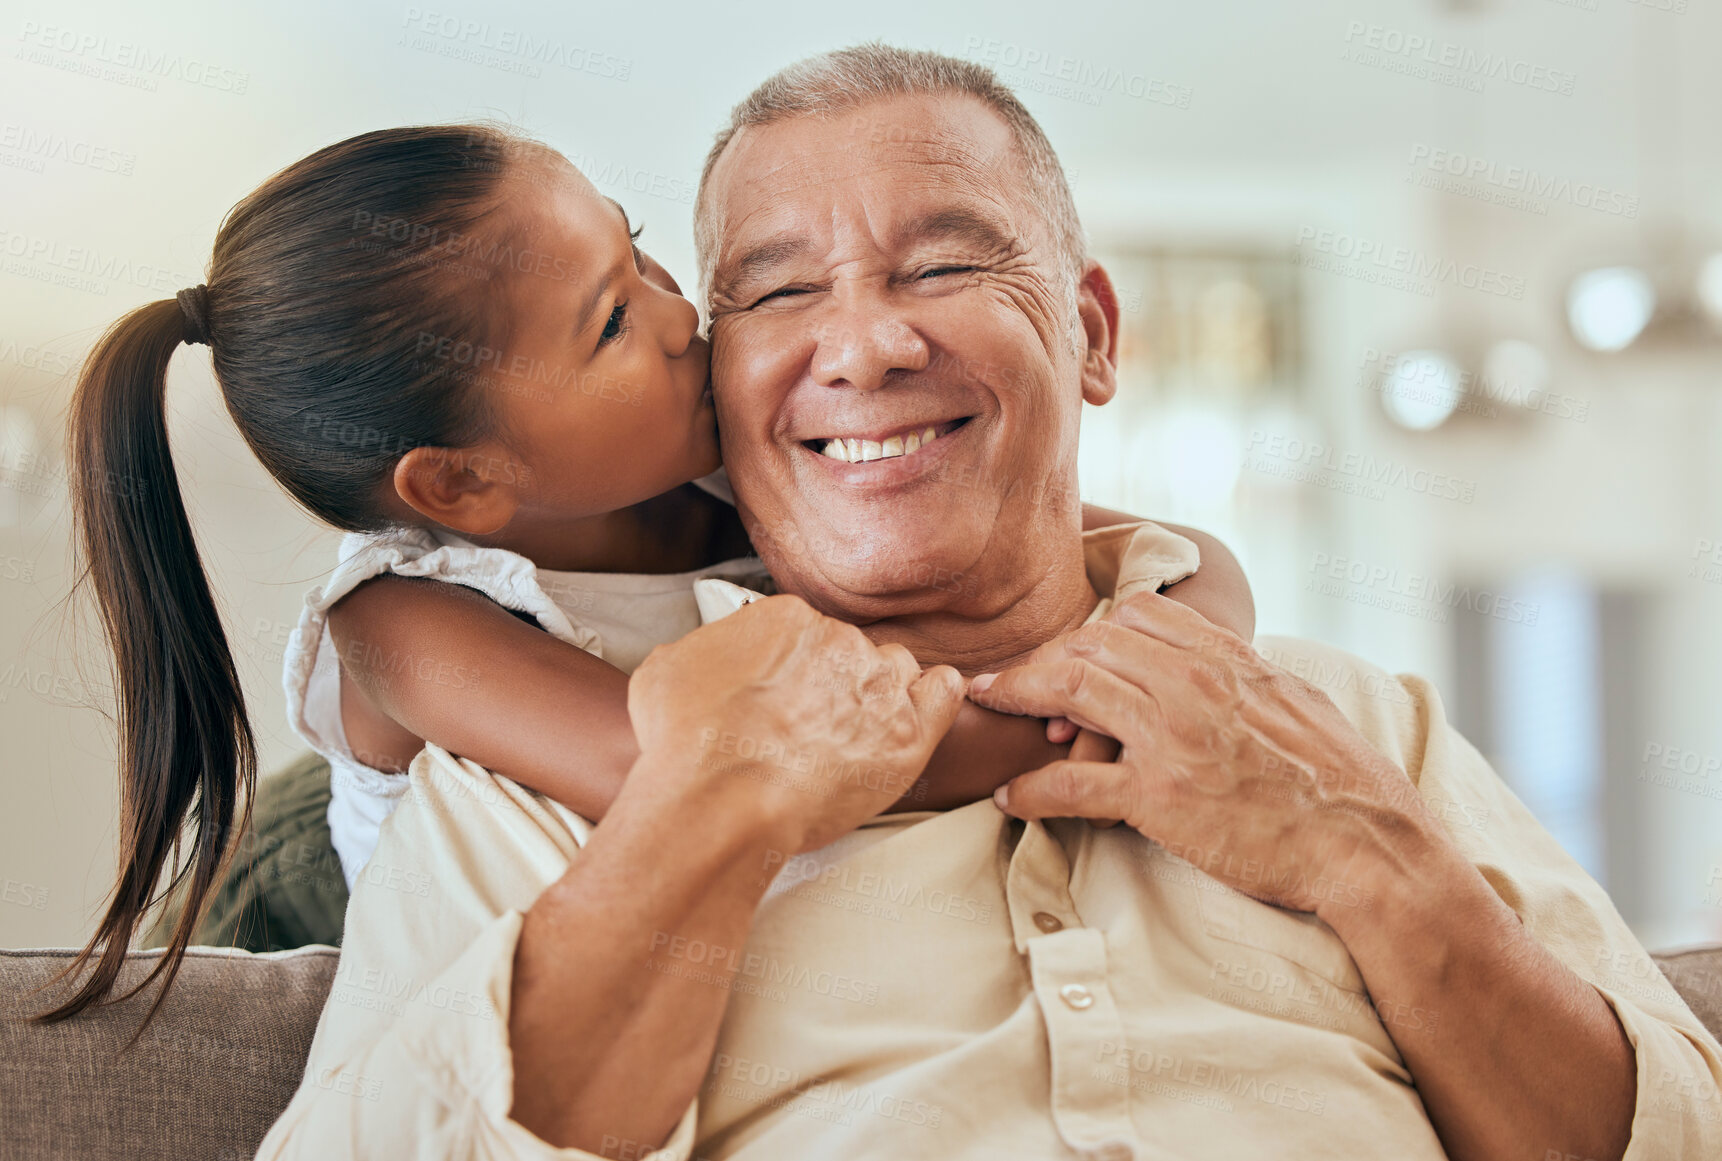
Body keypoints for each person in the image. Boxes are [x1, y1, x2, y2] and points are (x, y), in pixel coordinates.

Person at [257, 45, 1722, 1161]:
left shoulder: (1345, 723)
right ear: (723, 383)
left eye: (943, 263)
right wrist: (713, 811)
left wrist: (1366, 863)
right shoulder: (532, 766)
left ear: (1085, 333)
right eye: (771, 295)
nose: (865, 343)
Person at [49, 122, 1250, 1021]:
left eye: (635, 252)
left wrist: (1207, 632)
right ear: (463, 486)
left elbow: (1135, 545)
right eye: (612, 323)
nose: (681, 314)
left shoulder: (737, 446)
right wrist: (1078, 728)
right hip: (308, 877)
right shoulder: (408, 623)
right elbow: (714, 770)